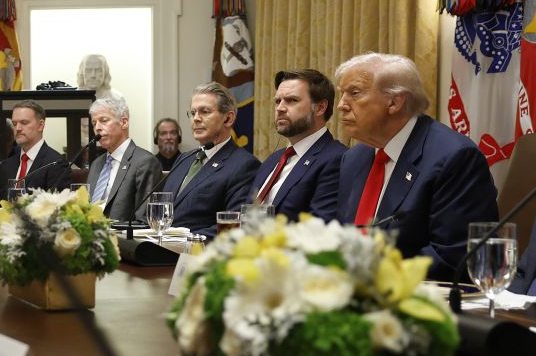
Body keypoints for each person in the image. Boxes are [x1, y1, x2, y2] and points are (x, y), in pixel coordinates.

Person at [331, 52, 497, 279]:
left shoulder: (454, 157)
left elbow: (453, 256)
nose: (341, 105)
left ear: (395, 102)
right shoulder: (354, 158)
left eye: (354, 93)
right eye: (342, 94)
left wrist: (369, 273)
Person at [158, 83, 259, 239]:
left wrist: (182, 240)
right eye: (192, 113)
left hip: (198, 255)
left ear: (228, 118)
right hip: (159, 252)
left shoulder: (244, 165)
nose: (196, 119)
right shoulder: (184, 159)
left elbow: (233, 227)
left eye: (205, 112)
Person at [249, 69, 347, 220]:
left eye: (292, 100)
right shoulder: (272, 160)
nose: (280, 108)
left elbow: (319, 228)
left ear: (320, 108)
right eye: (278, 101)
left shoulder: (336, 159)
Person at [86, 92, 162, 222]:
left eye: (104, 121)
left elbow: (144, 220)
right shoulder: (96, 164)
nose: (97, 128)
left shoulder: (145, 162)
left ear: (124, 122)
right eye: (94, 123)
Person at [1, 100, 71, 191]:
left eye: (24, 123)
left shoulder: (56, 164)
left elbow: (56, 204)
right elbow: (1, 201)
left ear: (40, 125)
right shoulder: (8, 164)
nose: (17, 128)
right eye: (14, 124)